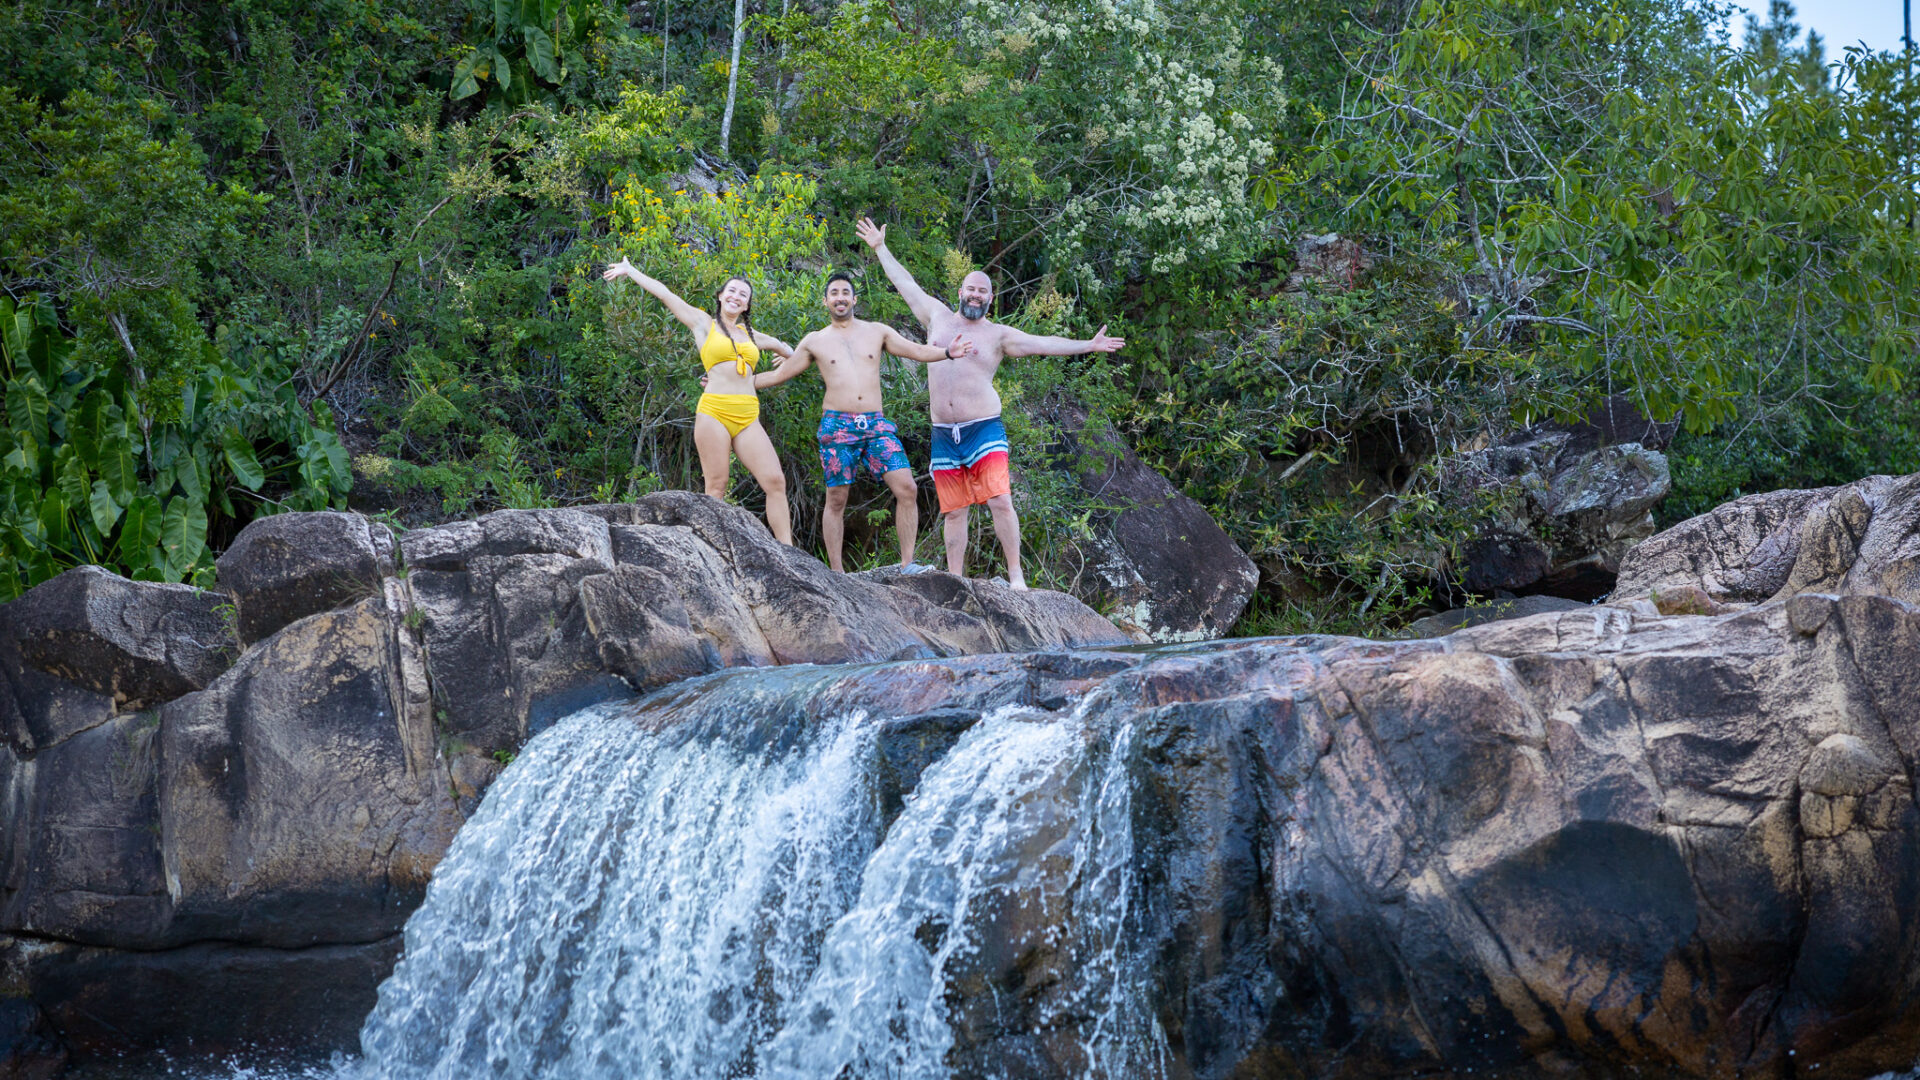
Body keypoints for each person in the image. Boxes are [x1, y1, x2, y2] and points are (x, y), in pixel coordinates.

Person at [855, 218, 1124, 589]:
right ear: (960, 291)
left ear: (990, 298)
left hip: (983, 427)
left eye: (983, 291)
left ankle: (1016, 577)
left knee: (999, 499)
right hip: (943, 432)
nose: (976, 295)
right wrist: (880, 248)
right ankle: (955, 579)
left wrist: (1088, 346)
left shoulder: (999, 335)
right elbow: (906, 285)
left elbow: (1043, 342)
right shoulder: (936, 317)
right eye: (971, 289)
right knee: (954, 510)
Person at [754, 270, 975, 572]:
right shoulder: (815, 341)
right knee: (836, 498)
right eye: (834, 293)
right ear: (826, 301)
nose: (840, 298)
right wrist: (733, 382)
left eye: (845, 292)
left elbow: (917, 350)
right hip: (837, 425)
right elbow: (779, 375)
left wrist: (948, 352)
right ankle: (836, 572)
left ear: (854, 298)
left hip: (875, 425)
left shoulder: (877, 332)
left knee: (907, 488)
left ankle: (908, 564)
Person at [601, 258, 797, 544]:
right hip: (714, 411)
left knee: (775, 482)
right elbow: (666, 294)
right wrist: (631, 272)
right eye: (731, 291)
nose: (736, 296)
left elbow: (790, 350)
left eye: (743, 295)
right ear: (720, 296)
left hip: (747, 416)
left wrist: (786, 354)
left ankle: (787, 551)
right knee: (717, 486)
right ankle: (710, 547)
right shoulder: (703, 323)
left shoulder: (752, 335)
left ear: (746, 306)